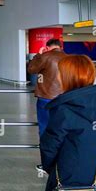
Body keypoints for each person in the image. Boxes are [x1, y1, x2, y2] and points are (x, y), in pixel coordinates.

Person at [40, 55, 96, 191]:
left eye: (60, 73)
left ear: (68, 77)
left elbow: (49, 149)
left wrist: (53, 170)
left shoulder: (63, 110)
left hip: (69, 183)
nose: (58, 77)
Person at [28, 38, 67, 173]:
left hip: (46, 99)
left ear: (48, 47)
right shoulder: (69, 58)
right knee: (62, 130)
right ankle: (62, 163)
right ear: (60, 47)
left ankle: (47, 165)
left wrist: (38, 54)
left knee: (45, 130)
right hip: (64, 100)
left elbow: (31, 69)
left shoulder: (46, 56)